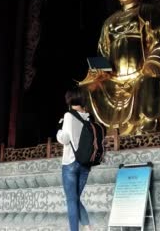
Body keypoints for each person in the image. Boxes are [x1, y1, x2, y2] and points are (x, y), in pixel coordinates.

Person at [78, 0, 160, 135]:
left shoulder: (147, 11)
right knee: (89, 88)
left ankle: (147, 127)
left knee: (148, 82)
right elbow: (103, 52)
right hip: (114, 79)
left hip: (139, 74)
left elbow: (159, 43)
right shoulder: (109, 22)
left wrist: (152, 64)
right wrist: (99, 71)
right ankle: (96, 132)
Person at [56, 87, 94, 231]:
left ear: (69, 99)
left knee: (71, 200)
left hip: (70, 162)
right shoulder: (89, 117)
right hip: (85, 164)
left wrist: (59, 133)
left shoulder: (68, 115)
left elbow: (65, 139)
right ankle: (87, 226)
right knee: (75, 199)